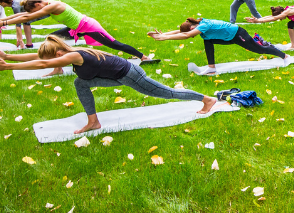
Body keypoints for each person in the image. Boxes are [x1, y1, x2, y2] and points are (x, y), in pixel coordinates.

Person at [0, 36, 216, 134]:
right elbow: (40, 57)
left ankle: (206, 99)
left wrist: (9, 68)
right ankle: (93, 122)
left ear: (58, 53)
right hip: (118, 76)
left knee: (167, 93)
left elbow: (43, 62)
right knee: (80, 83)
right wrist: (9, 56)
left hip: (130, 75)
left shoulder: (71, 56)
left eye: (53, 58)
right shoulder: (67, 51)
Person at [2, 0, 153, 75]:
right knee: (53, 40)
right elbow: (24, 15)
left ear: (38, 5)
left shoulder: (53, 5)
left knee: (115, 44)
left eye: (35, 11)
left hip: (88, 26)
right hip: (77, 28)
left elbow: (25, 18)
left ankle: (143, 57)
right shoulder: (45, 4)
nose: (35, 14)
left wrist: (4, 21)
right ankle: (58, 68)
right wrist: (3, 20)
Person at [148, 18, 291, 75]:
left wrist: (164, 38)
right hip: (228, 37)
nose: (193, 33)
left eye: (192, 30)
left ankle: (285, 56)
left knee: (259, 49)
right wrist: (164, 34)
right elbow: (182, 32)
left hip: (237, 33)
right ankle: (212, 67)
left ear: (192, 27)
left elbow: (187, 35)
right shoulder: (197, 25)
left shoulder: (204, 25)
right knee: (207, 41)